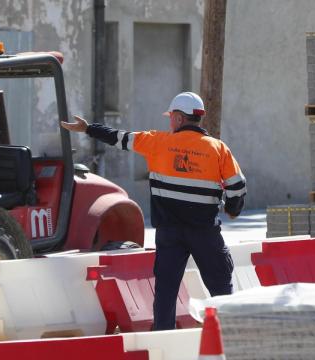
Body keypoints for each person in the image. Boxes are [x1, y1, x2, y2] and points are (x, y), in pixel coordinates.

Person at [60, 92, 246, 330]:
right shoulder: (218, 148)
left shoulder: (157, 143)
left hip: (170, 234)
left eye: (171, 117)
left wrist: (88, 129)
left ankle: (162, 341)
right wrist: (232, 209)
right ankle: (230, 338)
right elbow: (237, 187)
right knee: (221, 289)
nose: (170, 122)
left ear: (179, 119)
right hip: (205, 233)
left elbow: (120, 138)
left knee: (166, 294)